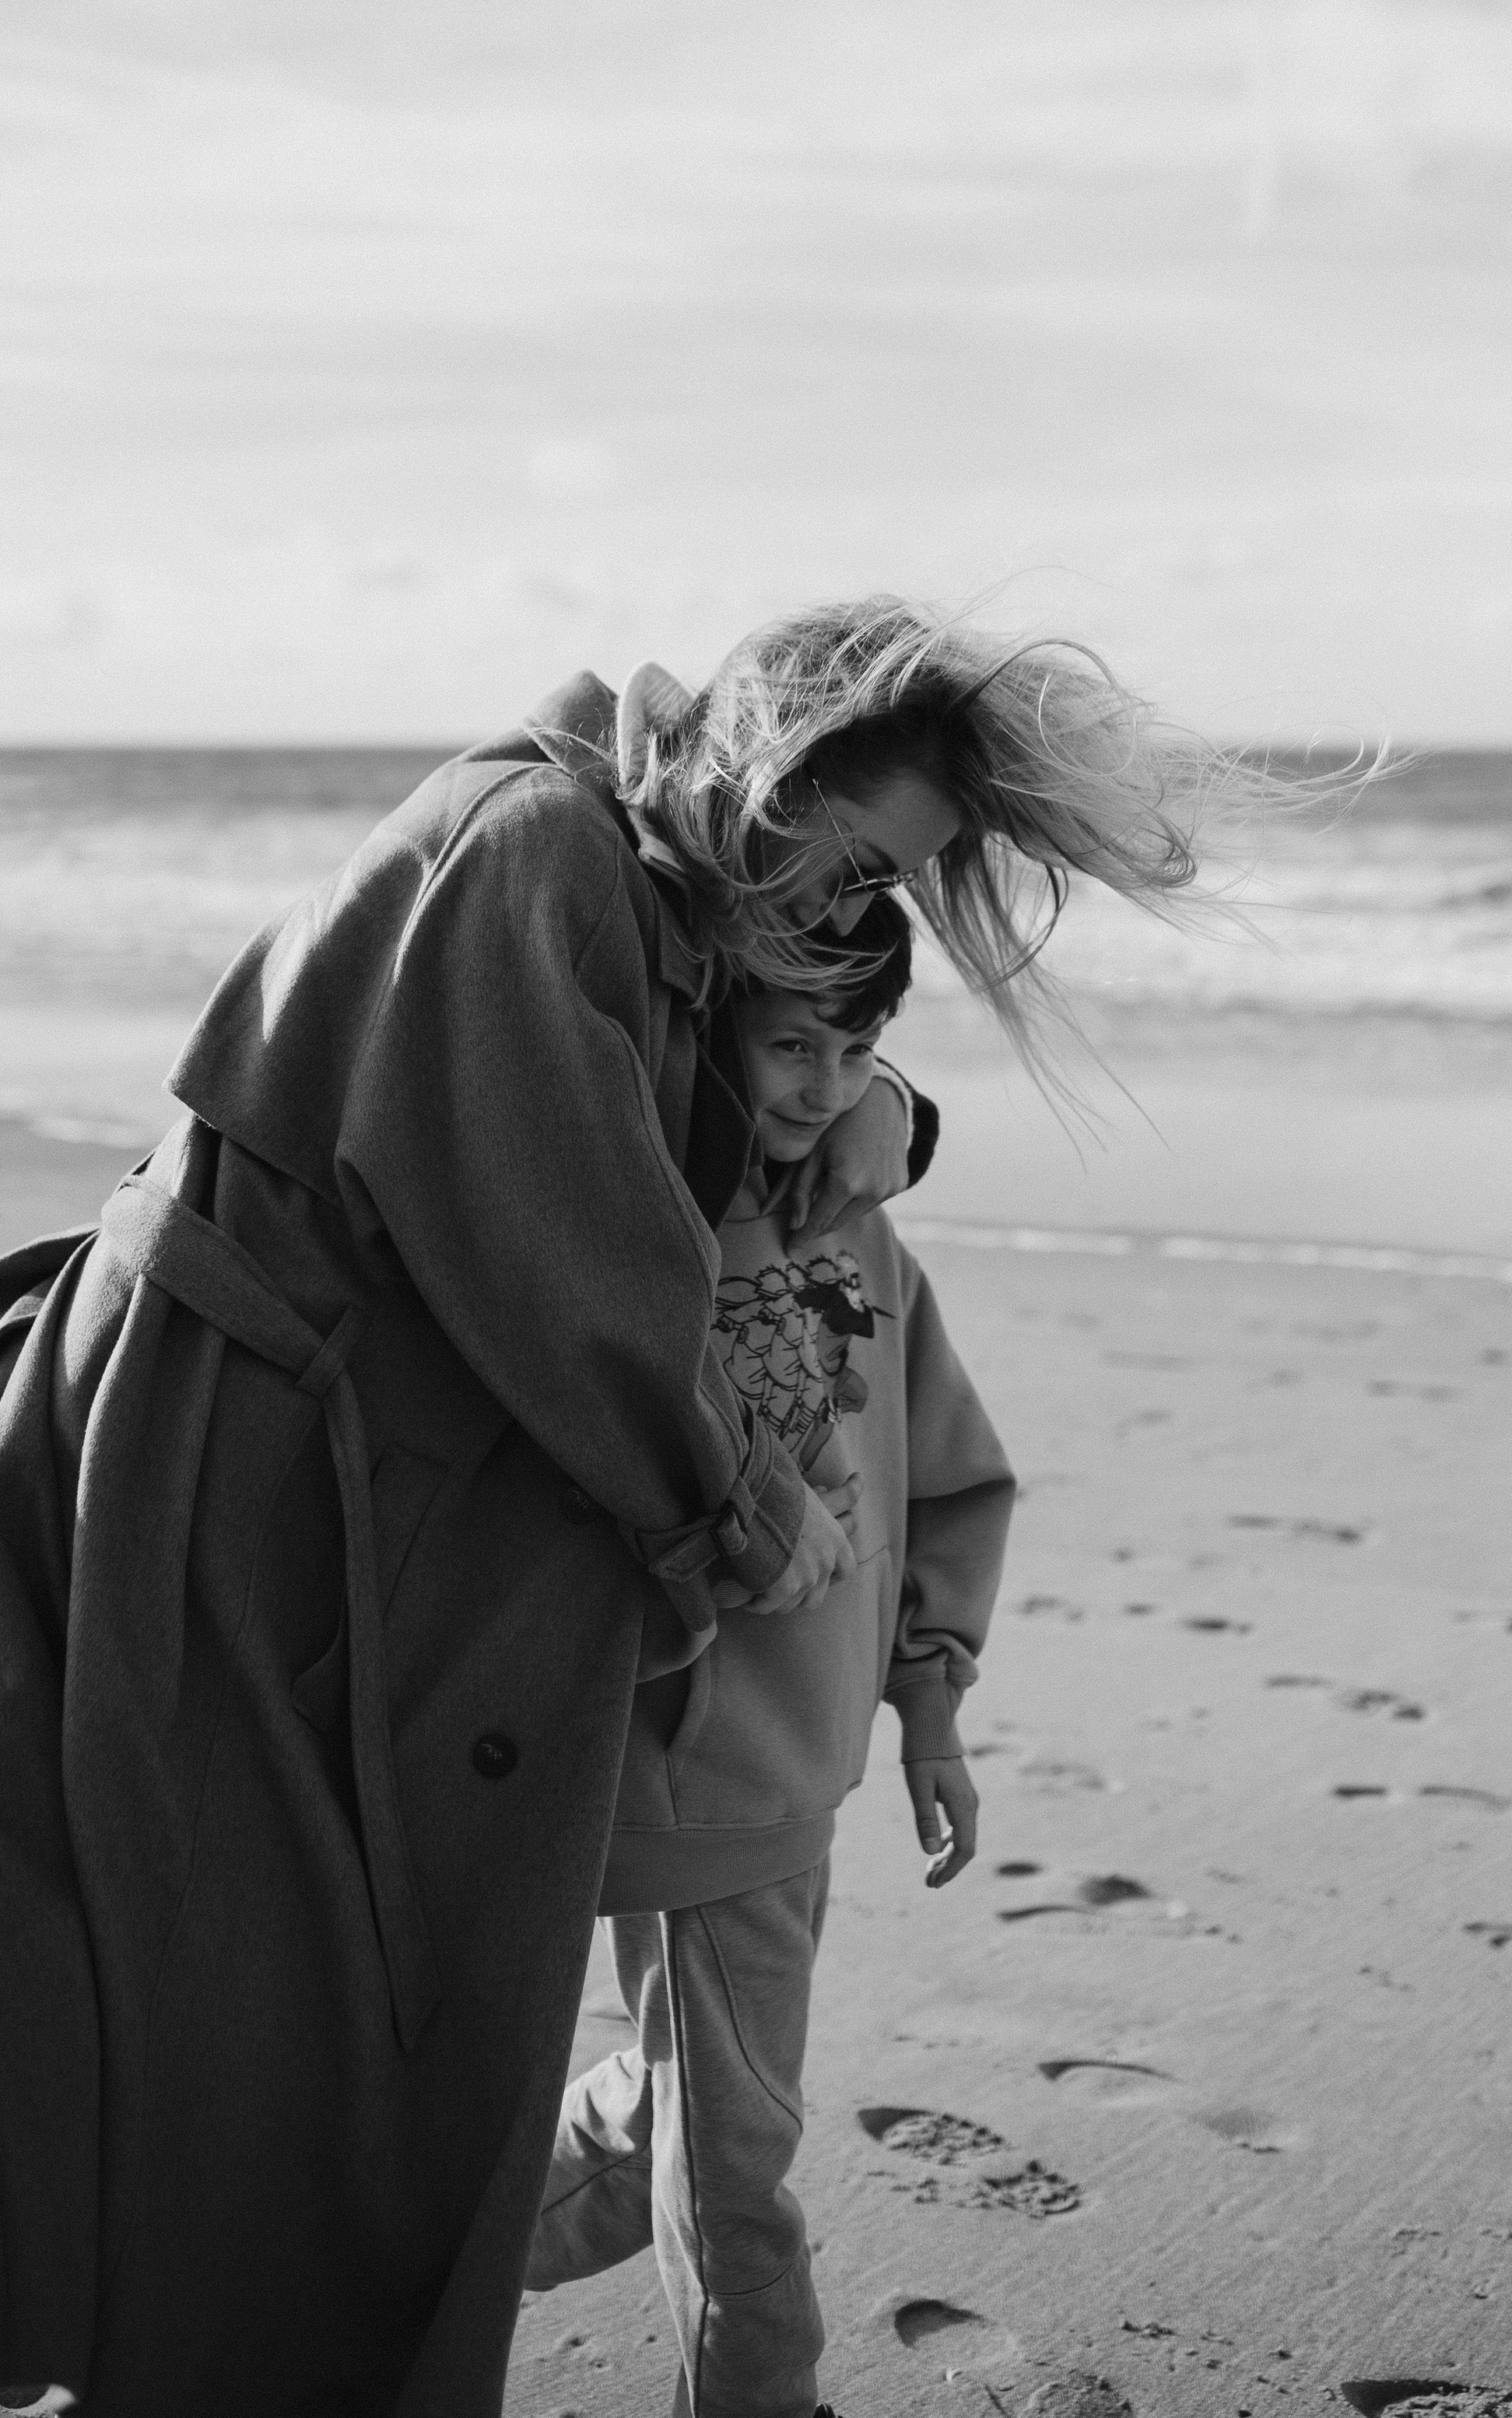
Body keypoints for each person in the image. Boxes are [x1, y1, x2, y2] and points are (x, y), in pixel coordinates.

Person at [0, 598, 1219, 2418]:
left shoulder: (646, 882)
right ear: (773, 760)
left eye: (882, 887)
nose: (838, 910)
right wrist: (730, 1509)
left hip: (320, 1452)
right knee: (255, 1996)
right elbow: (569, 1254)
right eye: (850, 855)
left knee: (332, 2019)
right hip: (215, 1447)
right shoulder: (540, 847)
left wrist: (862, 1132)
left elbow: (684, 1184)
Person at [525, 892, 1014, 2418]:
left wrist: (929, 1709)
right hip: (666, 1763)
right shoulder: (638, 1232)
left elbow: (948, 1477)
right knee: (735, 2166)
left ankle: (375, 2261)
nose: (818, 1079)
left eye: (853, 1045)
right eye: (787, 1040)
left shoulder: (872, 1243)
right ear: (710, 1035)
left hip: (802, 1767)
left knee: (695, 2114)